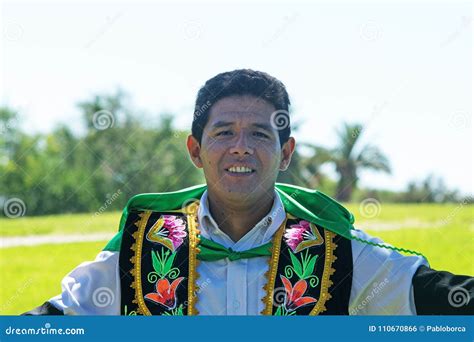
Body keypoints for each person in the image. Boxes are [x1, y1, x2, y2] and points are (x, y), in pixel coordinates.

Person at [24, 69, 473, 316]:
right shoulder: (141, 251)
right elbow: (54, 324)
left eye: (260, 133)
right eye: (224, 132)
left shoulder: (338, 253)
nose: (241, 146)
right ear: (196, 151)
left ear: (286, 153)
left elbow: (441, 296)